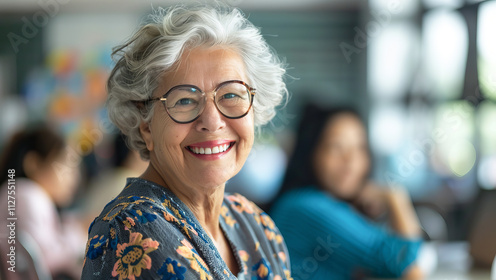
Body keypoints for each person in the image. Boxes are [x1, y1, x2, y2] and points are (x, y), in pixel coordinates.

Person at [81, 4, 292, 280]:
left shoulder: (254, 223)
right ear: (145, 125)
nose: (212, 121)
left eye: (231, 95)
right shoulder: (132, 229)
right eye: (184, 100)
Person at [270, 104, 423, 280]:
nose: (350, 160)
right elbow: (406, 265)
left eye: (359, 147)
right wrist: (396, 197)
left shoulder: (296, 201)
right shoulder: (307, 206)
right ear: (311, 152)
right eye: (336, 147)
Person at [0, 124, 85, 279]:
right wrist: (81, 236)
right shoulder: (29, 196)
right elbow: (44, 258)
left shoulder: (18, 192)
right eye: (64, 165)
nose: (73, 177)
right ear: (33, 164)